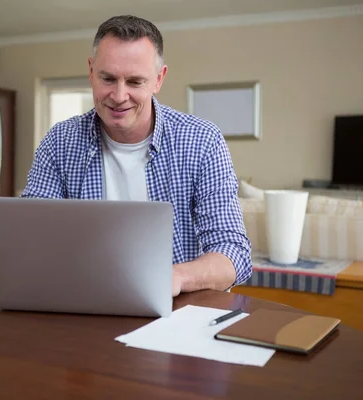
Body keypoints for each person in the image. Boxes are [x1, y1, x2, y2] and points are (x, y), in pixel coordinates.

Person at [21, 15, 252, 296]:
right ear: (91, 71)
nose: (119, 96)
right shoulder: (59, 142)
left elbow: (233, 253)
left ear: (158, 79)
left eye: (134, 81)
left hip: (176, 310)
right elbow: (31, 238)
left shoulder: (203, 141)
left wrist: (175, 278)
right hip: (83, 302)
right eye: (108, 78)